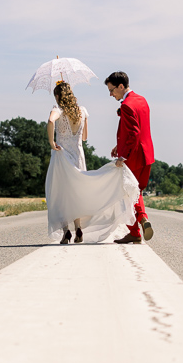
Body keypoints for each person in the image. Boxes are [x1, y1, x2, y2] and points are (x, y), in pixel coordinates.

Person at [45, 81, 139, 244]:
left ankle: (66, 232)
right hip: (78, 155)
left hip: (62, 157)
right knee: (77, 193)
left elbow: (51, 121)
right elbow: (84, 137)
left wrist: (52, 143)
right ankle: (79, 229)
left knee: (61, 194)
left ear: (59, 96)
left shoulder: (57, 110)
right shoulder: (82, 111)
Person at [105, 71, 154, 244]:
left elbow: (134, 132)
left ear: (120, 86)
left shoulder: (126, 105)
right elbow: (138, 129)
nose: (111, 94)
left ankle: (136, 229)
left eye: (112, 90)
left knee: (126, 193)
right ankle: (142, 221)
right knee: (136, 191)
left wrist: (123, 155)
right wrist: (120, 145)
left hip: (133, 156)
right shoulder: (141, 100)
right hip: (146, 155)